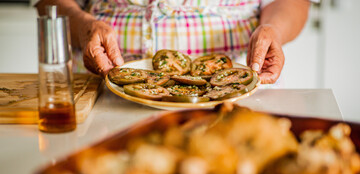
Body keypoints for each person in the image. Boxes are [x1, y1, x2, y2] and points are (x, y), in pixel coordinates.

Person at [34, 0, 310, 84]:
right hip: (103, 95)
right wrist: (83, 25)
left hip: (233, 95)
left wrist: (273, 29)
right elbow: (48, 3)